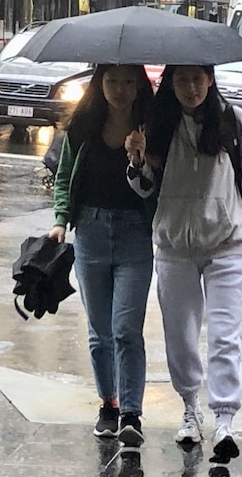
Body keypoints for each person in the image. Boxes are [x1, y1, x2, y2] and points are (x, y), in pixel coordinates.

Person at [125, 65, 242, 462]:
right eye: (182, 80)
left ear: (210, 79)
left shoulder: (231, 120)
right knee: (180, 336)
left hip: (226, 243)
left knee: (224, 336)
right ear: (171, 85)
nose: (191, 87)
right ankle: (189, 407)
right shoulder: (157, 126)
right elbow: (145, 188)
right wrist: (136, 160)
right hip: (174, 246)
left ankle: (225, 418)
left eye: (198, 79)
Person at [48, 64, 155, 447]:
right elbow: (63, 178)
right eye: (112, 81)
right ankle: (108, 405)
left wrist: (139, 159)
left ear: (139, 86)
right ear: (100, 84)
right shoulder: (83, 127)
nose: (120, 90)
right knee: (100, 334)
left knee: (126, 328)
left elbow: (153, 192)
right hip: (90, 232)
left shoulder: (151, 127)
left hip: (135, 235)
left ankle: (131, 412)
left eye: (128, 82)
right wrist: (61, 219)